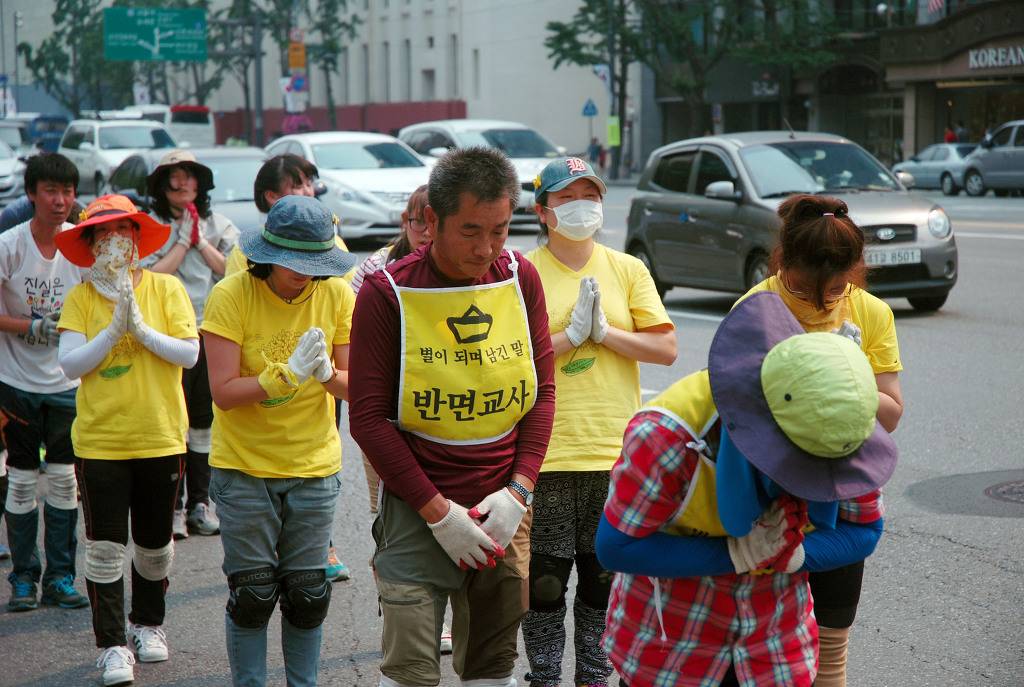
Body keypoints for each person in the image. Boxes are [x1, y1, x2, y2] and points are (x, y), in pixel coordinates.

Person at [596, 291, 898, 687]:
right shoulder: (664, 437)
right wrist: (735, 553)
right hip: (670, 653)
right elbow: (616, 546)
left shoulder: (843, 430)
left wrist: (796, 555)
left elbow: (864, 530)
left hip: (774, 651)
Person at [349, 146, 556, 687]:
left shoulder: (518, 278)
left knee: (492, 669)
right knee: (411, 673)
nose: (486, 248)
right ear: (432, 220)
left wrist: (518, 492)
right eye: (470, 231)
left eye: (501, 229)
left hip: (500, 508)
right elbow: (368, 420)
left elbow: (541, 394)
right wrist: (439, 514)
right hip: (417, 509)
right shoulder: (386, 293)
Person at [521, 158, 676, 687]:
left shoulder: (627, 269)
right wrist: (570, 337)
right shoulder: (522, 272)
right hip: (547, 452)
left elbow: (665, 347)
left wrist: (605, 334)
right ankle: (543, 675)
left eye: (590, 195)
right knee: (544, 580)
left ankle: (593, 673)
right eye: (567, 199)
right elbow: (511, 356)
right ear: (543, 211)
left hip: (614, 451)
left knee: (601, 576)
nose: (582, 206)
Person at [738, 194, 903, 687]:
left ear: (852, 274)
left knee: (831, 651)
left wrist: (852, 376)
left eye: (835, 290)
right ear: (784, 263)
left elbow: (891, 414)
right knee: (764, 643)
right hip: (771, 488)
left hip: (844, 489)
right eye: (806, 288)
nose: (819, 303)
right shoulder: (757, 306)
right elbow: (733, 407)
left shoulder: (870, 314)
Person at [201, 195, 357, 687]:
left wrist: (328, 375)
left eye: (317, 264)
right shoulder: (232, 295)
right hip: (243, 467)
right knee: (252, 594)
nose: (307, 275)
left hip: (313, 466)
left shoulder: (336, 295)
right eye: (296, 265)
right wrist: (282, 377)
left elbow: (358, 385)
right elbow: (223, 393)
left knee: (308, 593)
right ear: (269, 256)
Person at [55, 194, 200, 686]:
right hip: (101, 441)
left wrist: (140, 327)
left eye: (122, 232)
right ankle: (113, 644)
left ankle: (149, 625)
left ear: (138, 239)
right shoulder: (81, 298)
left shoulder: (167, 288)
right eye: (102, 235)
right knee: (104, 548)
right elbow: (70, 363)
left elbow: (189, 354)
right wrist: (113, 328)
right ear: (91, 244)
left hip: (160, 435)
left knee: (155, 544)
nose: (113, 242)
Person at [0, 153, 88, 612]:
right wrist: (27, 326)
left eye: (68, 192)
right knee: (19, 481)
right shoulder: (10, 245)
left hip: (67, 382)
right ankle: (22, 579)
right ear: (32, 194)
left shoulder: (81, 245)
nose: (61, 201)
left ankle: (60, 577)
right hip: (14, 381)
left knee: (63, 481)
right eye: (51, 191)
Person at [142, 150, 240, 540]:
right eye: (174, 177)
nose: (182, 184)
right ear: (161, 185)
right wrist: (181, 243)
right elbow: (150, 273)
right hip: (165, 336)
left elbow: (231, 270)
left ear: (201, 183)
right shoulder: (150, 225)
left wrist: (198, 241)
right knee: (172, 423)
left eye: (189, 177)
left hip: (209, 331)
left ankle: (200, 504)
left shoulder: (219, 224)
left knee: (204, 422)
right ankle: (174, 507)